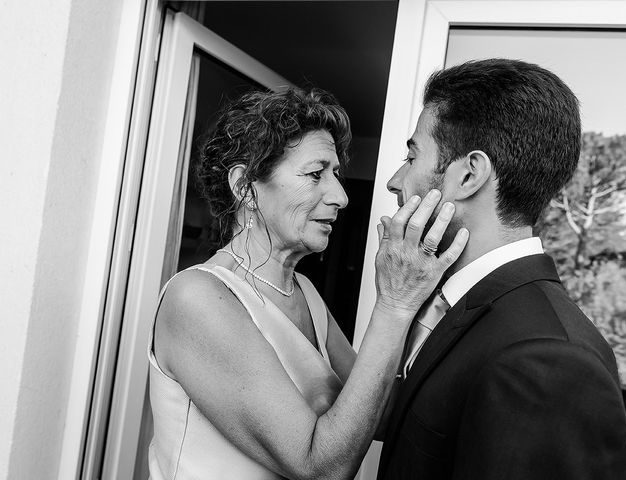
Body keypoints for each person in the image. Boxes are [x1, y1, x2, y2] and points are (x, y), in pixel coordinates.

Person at [146, 88, 469, 479]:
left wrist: (426, 296)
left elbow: (380, 417)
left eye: (335, 175)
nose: (341, 196)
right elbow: (322, 468)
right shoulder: (198, 297)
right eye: (316, 174)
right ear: (245, 186)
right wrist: (394, 305)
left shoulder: (305, 293)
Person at [377, 58, 626, 479]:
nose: (394, 180)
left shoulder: (548, 361)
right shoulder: (458, 309)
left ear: (469, 174)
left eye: (411, 155)